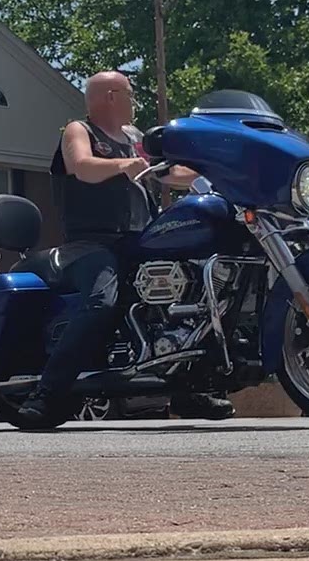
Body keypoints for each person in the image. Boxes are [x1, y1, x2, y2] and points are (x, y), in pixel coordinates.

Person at [16, 71, 224, 423]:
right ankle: (47, 395)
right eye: (130, 94)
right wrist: (122, 165)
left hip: (140, 241)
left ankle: (187, 389)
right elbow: (82, 167)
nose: (134, 102)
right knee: (103, 302)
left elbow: (168, 173)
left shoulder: (134, 138)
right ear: (111, 96)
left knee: (189, 294)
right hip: (90, 243)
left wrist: (218, 170)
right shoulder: (79, 131)